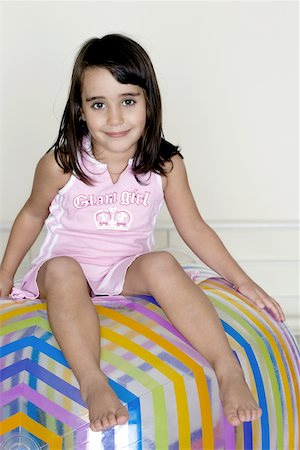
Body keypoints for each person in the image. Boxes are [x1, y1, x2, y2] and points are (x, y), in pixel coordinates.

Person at [0, 34, 285, 433]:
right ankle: (93, 382)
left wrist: (243, 281)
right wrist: (5, 273)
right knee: (64, 269)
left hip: (122, 270)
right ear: (80, 111)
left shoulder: (165, 166)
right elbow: (31, 214)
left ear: (149, 103)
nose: (115, 119)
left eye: (128, 101)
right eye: (99, 105)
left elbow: (194, 228)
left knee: (162, 262)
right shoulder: (62, 162)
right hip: (60, 272)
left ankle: (227, 370)